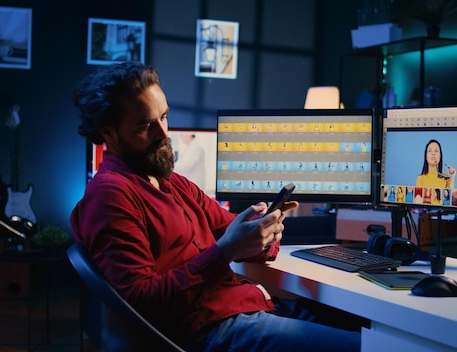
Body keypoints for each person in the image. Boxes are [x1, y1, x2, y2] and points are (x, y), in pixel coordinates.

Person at [69, 62, 362, 352]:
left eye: (164, 117)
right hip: (207, 331)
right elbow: (141, 302)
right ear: (108, 134)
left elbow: (230, 228)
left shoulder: (175, 184)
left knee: (373, 334)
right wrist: (227, 250)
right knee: (368, 346)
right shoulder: (110, 196)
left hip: (242, 308)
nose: (163, 134)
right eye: (146, 126)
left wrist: (262, 233)